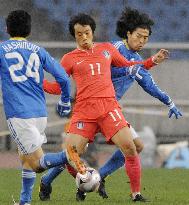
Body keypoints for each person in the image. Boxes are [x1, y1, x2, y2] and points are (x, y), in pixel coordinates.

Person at [39, 12, 169, 203]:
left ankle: (136, 194)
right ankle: (59, 181)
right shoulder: (69, 59)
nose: (84, 37)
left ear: (93, 32)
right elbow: (58, 86)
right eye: (79, 34)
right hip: (84, 112)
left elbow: (128, 65)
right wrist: (38, 82)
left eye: (87, 33)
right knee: (71, 154)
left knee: (131, 148)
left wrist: (151, 62)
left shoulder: (107, 49)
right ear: (74, 36)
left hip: (109, 109)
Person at [0, 10, 78, 205]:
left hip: (19, 114)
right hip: (39, 113)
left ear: (6, 28)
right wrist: (65, 101)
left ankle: (66, 156)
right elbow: (62, 77)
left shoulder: (2, 49)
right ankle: (24, 202)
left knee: (36, 163)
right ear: (29, 30)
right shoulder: (38, 50)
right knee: (25, 157)